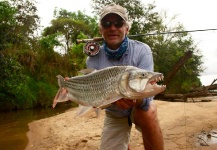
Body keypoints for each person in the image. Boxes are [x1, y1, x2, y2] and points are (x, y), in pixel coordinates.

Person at [86, 3, 164, 150]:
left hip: (140, 108)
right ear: (101, 29)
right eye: (107, 23)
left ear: (127, 28)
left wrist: (133, 98)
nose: (113, 28)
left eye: (118, 23)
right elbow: (96, 97)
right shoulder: (93, 59)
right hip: (114, 113)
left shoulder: (142, 50)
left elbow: (147, 100)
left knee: (150, 111)